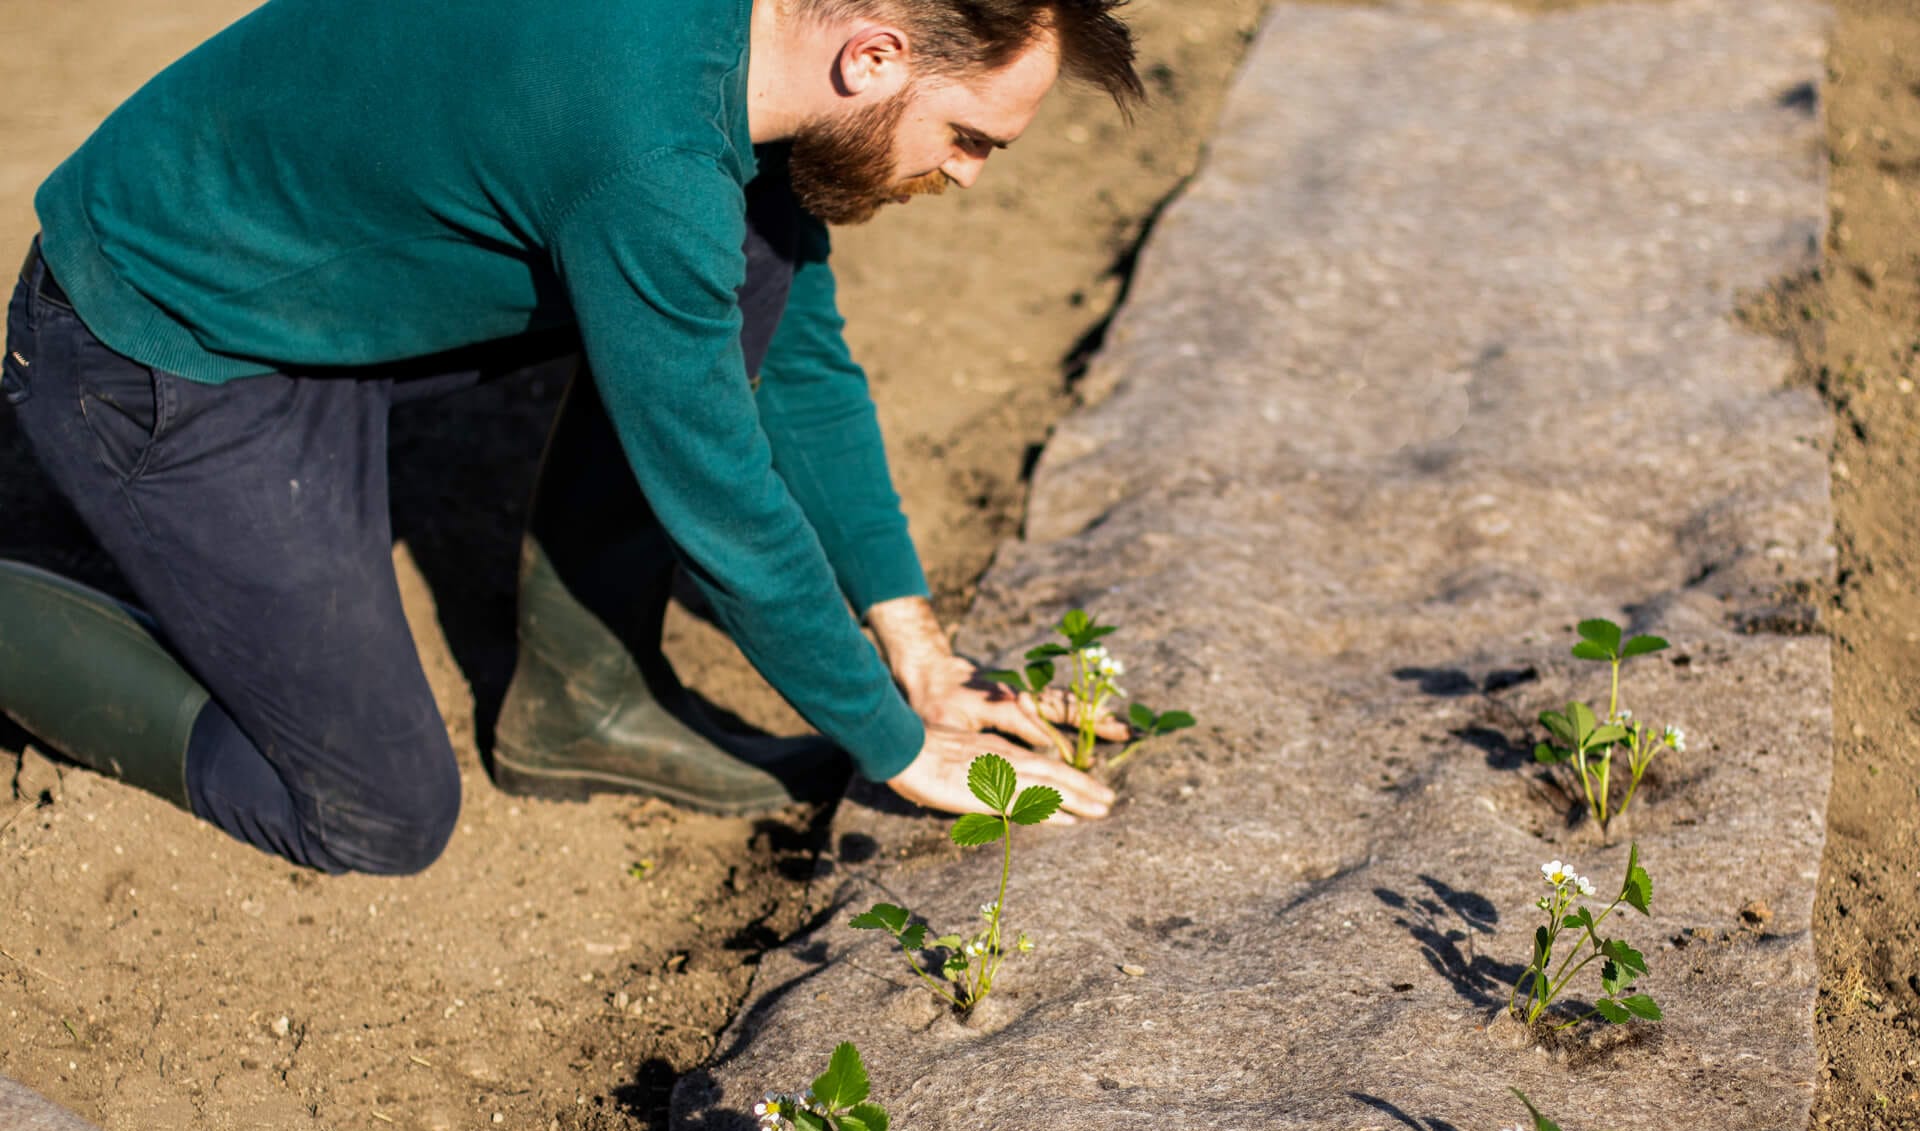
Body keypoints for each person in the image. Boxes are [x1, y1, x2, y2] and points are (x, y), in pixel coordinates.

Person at [0, 0, 1140, 875]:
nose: (968, 177)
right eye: (969, 135)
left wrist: (916, 644)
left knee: (751, 266)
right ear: (877, 57)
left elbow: (795, 352)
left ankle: (579, 705)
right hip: (156, 345)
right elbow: (724, 509)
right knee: (374, 812)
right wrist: (896, 745)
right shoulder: (649, 159)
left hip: (303, 274)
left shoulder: (746, 51)